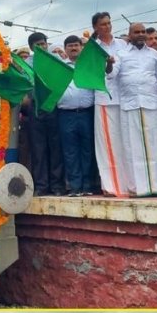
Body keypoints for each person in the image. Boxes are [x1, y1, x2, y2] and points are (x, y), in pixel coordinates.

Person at [108, 22, 157, 197]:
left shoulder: (153, 55)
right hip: (130, 104)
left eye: (143, 31)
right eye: (137, 32)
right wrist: (108, 64)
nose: (141, 34)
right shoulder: (120, 54)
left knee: (156, 146)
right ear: (130, 34)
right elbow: (111, 74)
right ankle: (138, 188)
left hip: (152, 103)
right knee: (133, 148)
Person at [90, 11, 130, 197]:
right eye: (103, 24)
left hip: (124, 99)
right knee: (107, 145)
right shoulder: (93, 48)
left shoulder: (122, 44)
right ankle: (110, 185)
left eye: (109, 23)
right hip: (105, 99)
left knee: (124, 143)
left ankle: (127, 184)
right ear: (96, 27)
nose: (107, 26)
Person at [25, 31, 65, 196]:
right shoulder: (27, 63)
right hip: (35, 107)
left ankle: (57, 186)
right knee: (38, 148)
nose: (42, 47)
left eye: (44, 43)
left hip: (53, 106)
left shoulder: (56, 60)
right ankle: (41, 185)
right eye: (38, 45)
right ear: (31, 47)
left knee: (56, 147)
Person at [57, 35, 96, 196]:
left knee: (88, 150)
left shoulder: (88, 66)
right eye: (70, 46)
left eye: (76, 45)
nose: (73, 48)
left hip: (87, 113)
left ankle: (87, 186)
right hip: (66, 115)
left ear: (81, 47)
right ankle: (74, 186)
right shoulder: (60, 67)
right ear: (65, 49)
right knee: (70, 151)